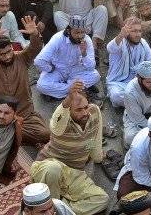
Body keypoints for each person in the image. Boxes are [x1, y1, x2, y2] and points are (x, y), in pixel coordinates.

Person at [31, 82, 109, 215]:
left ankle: (58, 209)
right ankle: (51, 204)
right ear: (69, 110)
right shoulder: (61, 123)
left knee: (102, 199)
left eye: (85, 107)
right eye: (78, 110)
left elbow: (93, 140)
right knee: (53, 169)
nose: (85, 112)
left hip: (74, 173)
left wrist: (98, 157)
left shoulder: (94, 112)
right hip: (48, 167)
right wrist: (68, 99)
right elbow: (55, 125)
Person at [0, 16, 50, 146]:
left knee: (44, 134)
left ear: (12, 47)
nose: (8, 56)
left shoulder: (22, 58)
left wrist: (34, 33)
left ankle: (6, 135)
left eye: (9, 51)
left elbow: (35, 47)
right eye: (3, 54)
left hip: (24, 114)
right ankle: (12, 135)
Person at [34, 15, 100, 100]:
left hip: (75, 71)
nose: (80, 36)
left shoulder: (87, 40)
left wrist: (84, 54)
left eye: (82, 32)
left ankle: (61, 92)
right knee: (41, 85)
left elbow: (91, 67)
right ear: (69, 31)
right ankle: (79, 89)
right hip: (58, 70)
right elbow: (38, 61)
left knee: (95, 76)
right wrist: (50, 69)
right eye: (77, 32)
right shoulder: (58, 38)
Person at [107, 17, 151, 107]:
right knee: (116, 96)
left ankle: (137, 104)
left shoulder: (143, 43)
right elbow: (110, 48)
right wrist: (121, 35)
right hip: (119, 84)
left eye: (139, 31)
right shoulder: (120, 42)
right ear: (126, 32)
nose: (138, 34)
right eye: (134, 31)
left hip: (137, 82)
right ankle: (143, 104)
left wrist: (150, 77)